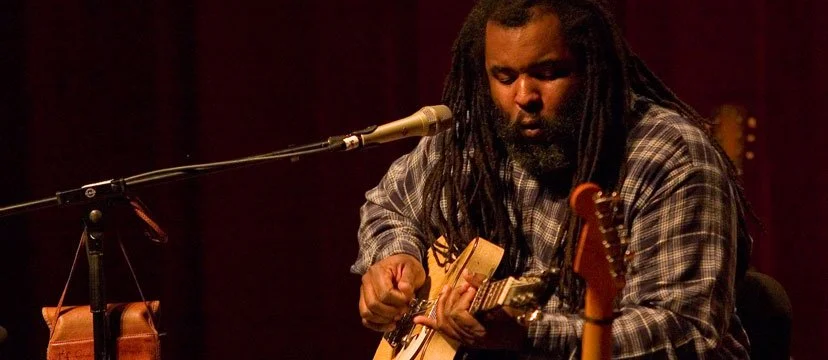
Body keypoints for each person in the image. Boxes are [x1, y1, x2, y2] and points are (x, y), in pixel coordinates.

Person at [352, 0, 752, 358]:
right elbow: (388, 205)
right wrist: (395, 257)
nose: (524, 96)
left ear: (592, 67)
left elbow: (685, 330)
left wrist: (531, 333)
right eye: (504, 77)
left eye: (547, 73)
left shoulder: (668, 157)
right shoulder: (475, 140)